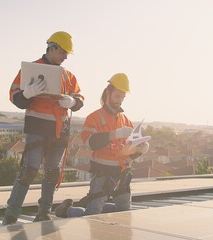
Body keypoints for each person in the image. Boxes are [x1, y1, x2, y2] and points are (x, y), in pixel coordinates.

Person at [2, 31, 84, 225]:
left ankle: (44, 212)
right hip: (37, 130)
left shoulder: (68, 76)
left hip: (59, 132)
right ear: (52, 48)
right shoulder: (31, 69)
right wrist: (27, 93)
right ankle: (11, 214)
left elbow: (80, 100)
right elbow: (15, 97)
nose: (65, 57)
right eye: (64, 52)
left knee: (51, 173)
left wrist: (72, 101)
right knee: (28, 171)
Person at [54, 73, 149, 218]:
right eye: (117, 96)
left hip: (121, 174)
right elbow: (91, 143)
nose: (120, 101)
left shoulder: (125, 120)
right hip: (102, 174)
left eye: (123, 98)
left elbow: (127, 152)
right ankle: (66, 210)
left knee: (124, 213)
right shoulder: (94, 118)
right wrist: (115, 134)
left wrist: (140, 149)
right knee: (92, 215)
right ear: (108, 93)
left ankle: (104, 206)